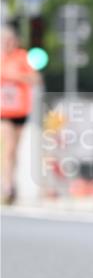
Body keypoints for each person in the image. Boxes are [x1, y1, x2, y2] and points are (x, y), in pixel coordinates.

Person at [1, 22, 40, 204]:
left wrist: (16, 77)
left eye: (10, 40)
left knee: (14, 149)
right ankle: (8, 185)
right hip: (4, 110)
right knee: (8, 148)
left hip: (20, 110)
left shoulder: (22, 57)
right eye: (4, 41)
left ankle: (13, 181)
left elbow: (36, 79)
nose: (8, 44)